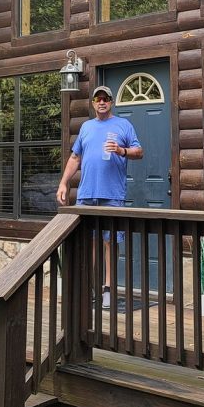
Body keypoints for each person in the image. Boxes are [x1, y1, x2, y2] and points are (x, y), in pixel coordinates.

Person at [56, 85, 143, 308]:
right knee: (89, 243)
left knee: (110, 242)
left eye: (106, 98)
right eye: (98, 99)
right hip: (86, 195)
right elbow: (75, 158)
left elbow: (139, 151)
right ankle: (91, 288)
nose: (102, 102)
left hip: (112, 195)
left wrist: (122, 151)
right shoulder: (86, 127)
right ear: (93, 103)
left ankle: (108, 289)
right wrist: (64, 183)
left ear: (111, 102)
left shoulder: (123, 125)